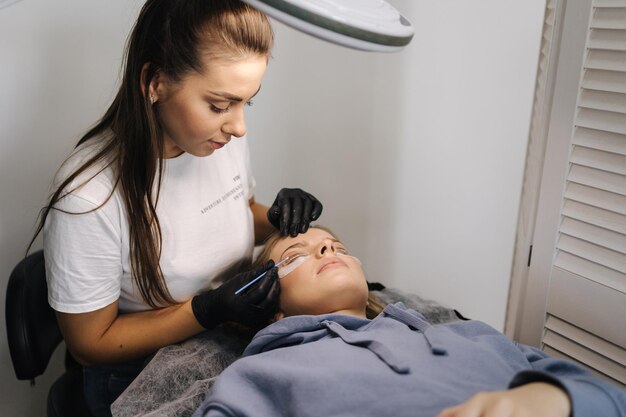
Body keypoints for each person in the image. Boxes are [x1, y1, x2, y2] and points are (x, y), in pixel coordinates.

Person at [28, 1, 322, 415]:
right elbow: (90, 344)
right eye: (220, 105)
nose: (238, 127)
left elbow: (236, 212)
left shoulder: (218, 141)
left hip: (223, 340)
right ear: (155, 82)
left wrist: (273, 217)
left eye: (246, 103)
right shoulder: (89, 196)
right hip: (135, 373)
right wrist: (206, 310)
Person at [193, 227, 626, 417]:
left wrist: (555, 401)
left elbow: (611, 399)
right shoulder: (261, 373)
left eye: (335, 244)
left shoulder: (474, 335)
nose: (328, 251)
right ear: (273, 308)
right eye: (295, 256)